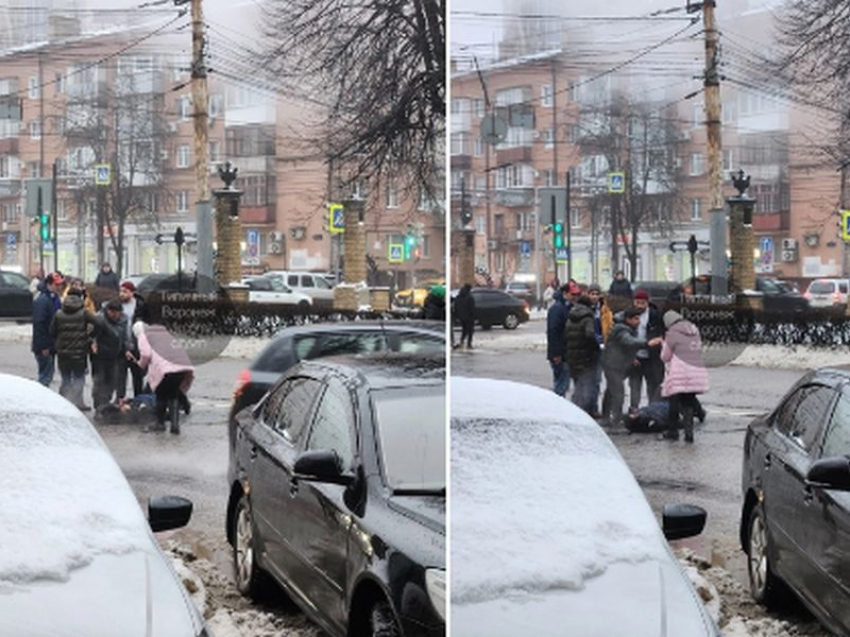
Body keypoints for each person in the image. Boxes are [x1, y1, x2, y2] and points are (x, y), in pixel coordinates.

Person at [601, 307, 662, 427]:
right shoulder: (622, 330)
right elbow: (629, 342)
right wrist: (647, 343)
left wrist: (631, 358)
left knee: (611, 391)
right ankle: (615, 420)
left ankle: (607, 416)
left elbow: (626, 347)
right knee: (618, 392)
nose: (639, 321)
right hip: (613, 365)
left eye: (639, 318)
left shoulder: (626, 328)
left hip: (617, 364)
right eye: (636, 319)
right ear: (628, 319)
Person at [134, 322, 194, 432]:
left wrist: (140, 364)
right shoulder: (165, 333)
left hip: (166, 368)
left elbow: (146, 354)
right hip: (182, 366)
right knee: (173, 394)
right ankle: (175, 426)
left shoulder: (143, 335)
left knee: (161, 395)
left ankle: (160, 423)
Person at [660, 310, 709, 443]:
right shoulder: (694, 331)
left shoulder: (671, 334)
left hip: (680, 372)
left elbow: (665, 356)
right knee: (688, 403)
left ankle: (673, 432)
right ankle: (689, 435)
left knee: (674, 402)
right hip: (696, 370)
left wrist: (663, 343)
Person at [50, 288, 102, 410]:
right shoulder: (84, 313)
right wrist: (91, 335)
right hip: (80, 352)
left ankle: (64, 402)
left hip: (63, 353)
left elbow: (52, 331)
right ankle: (78, 402)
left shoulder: (58, 313)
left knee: (66, 378)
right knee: (79, 377)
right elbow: (98, 323)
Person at [629, 289, 665, 409]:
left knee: (653, 384)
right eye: (637, 303)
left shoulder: (655, 315)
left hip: (652, 356)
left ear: (647, 303)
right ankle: (634, 409)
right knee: (634, 385)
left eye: (642, 303)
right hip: (636, 356)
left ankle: (653, 408)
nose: (639, 306)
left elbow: (662, 333)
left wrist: (659, 340)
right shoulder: (629, 315)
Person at [565, 295, 600, 415]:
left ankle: (575, 410)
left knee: (578, 384)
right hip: (586, 357)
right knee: (588, 384)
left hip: (572, 356)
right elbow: (590, 334)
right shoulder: (587, 317)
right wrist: (596, 347)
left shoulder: (570, 316)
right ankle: (585, 412)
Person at [91, 299, 128, 410]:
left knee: (111, 382)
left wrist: (127, 348)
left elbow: (124, 337)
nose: (115, 315)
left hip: (115, 356)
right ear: (108, 311)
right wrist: (93, 343)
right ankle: (99, 407)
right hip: (100, 357)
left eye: (117, 313)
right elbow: (90, 335)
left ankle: (105, 405)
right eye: (112, 312)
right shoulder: (99, 320)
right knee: (99, 382)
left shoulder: (123, 320)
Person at [31, 271, 63, 387]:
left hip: (51, 344)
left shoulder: (54, 299)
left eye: (60, 285)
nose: (59, 287)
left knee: (48, 375)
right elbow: (39, 325)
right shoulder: (43, 301)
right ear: (49, 284)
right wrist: (44, 346)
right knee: (45, 377)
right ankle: (40, 400)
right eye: (57, 285)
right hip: (44, 346)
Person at [118, 281, 149, 397]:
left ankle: (138, 399)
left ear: (132, 293)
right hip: (121, 345)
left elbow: (148, 323)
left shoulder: (141, 305)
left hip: (136, 345)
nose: (121, 294)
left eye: (125, 292)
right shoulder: (116, 305)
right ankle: (120, 399)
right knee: (120, 376)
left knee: (138, 376)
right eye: (120, 291)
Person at [546, 283, 573, 396]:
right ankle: (557, 408)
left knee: (562, 383)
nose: (574, 296)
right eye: (572, 294)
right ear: (565, 293)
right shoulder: (558, 309)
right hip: (560, 354)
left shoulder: (565, 307)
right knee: (561, 385)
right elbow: (553, 332)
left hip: (563, 352)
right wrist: (556, 354)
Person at [454, 284, 476, 349]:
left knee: (464, 330)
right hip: (469, 317)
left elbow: (456, 307)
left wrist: (457, 316)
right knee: (470, 331)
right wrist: (474, 317)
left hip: (461, 317)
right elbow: (472, 309)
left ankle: (462, 342)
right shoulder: (470, 297)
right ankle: (469, 344)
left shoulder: (458, 297)